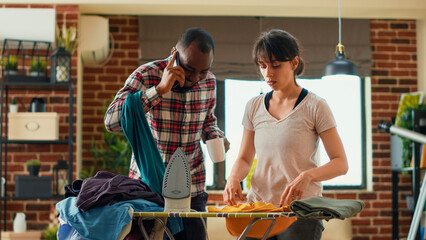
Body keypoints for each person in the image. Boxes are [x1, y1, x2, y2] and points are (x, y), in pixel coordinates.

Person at [223, 29, 348, 240]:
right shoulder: (253, 106)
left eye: (275, 65)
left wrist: (307, 176)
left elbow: (340, 163)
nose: (268, 73)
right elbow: (244, 158)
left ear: (294, 62)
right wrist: (234, 176)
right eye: (263, 66)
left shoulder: (316, 106)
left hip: (301, 212)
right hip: (260, 210)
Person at [104, 27, 229, 240]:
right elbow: (112, 122)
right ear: (174, 54)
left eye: (203, 71)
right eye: (189, 70)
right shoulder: (146, 75)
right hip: (148, 189)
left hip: (193, 189)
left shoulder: (209, 82)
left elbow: (208, 122)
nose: (196, 78)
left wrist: (216, 136)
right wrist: (159, 90)